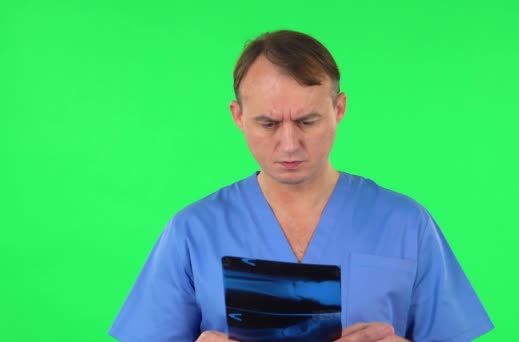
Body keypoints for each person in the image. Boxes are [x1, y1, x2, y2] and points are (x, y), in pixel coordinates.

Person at [109, 30, 494, 342]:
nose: (289, 144)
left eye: (307, 121)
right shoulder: (193, 231)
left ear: (339, 109)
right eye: (268, 124)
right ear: (238, 116)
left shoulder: (406, 224)